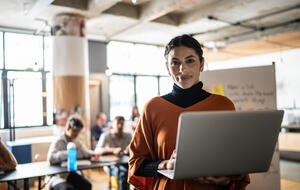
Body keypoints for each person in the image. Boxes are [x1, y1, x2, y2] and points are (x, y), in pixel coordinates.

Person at [128, 34, 250, 190]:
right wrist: (166, 165)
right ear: (167, 68)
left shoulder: (223, 105)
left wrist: (226, 180)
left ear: (201, 64)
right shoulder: (153, 107)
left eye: (190, 61)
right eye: (175, 62)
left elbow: (238, 164)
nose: (182, 69)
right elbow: (136, 164)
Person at [46, 115, 96, 190]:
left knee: (87, 186)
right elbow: (51, 158)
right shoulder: (58, 141)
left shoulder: (75, 140)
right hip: (56, 176)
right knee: (68, 189)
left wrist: (95, 153)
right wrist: (69, 153)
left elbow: (85, 152)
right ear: (68, 129)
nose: (77, 134)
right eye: (75, 131)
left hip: (69, 174)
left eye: (78, 131)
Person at [95, 116, 132, 190]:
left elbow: (134, 148)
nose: (120, 126)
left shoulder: (128, 135)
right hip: (111, 163)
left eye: (122, 124)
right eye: (118, 123)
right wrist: (112, 150)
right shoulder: (105, 136)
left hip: (126, 162)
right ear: (112, 125)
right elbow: (97, 151)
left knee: (138, 171)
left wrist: (130, 149)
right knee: (123, 173)